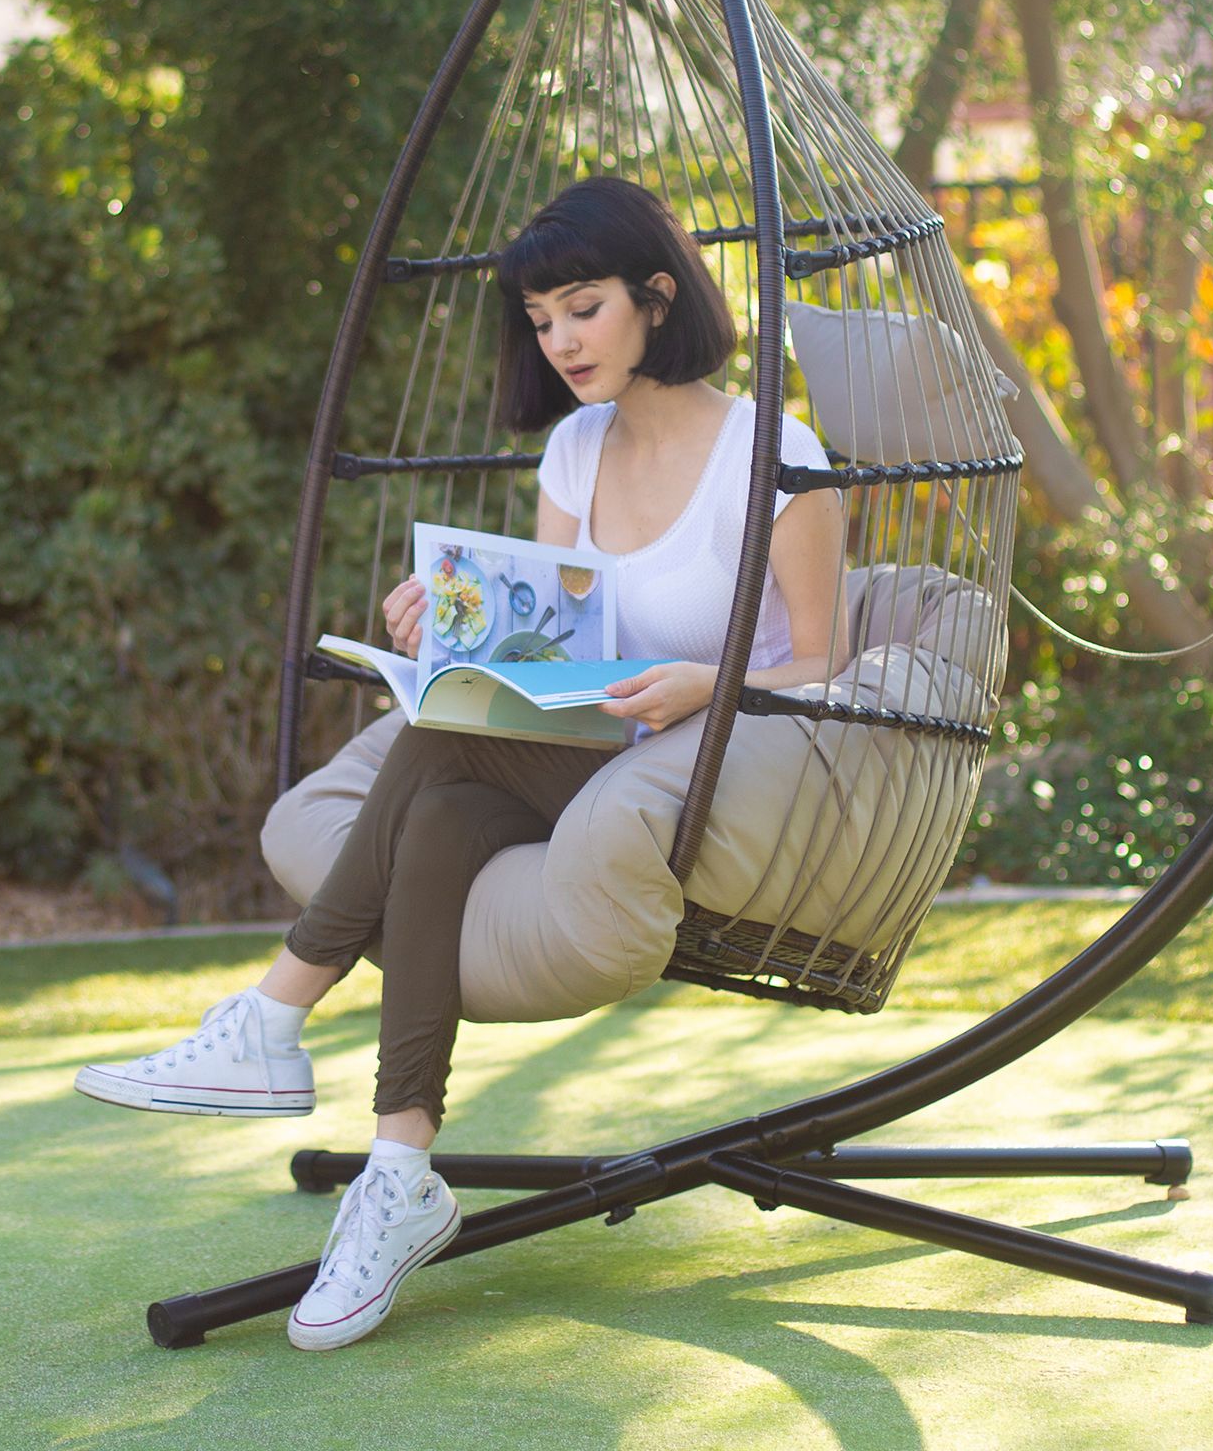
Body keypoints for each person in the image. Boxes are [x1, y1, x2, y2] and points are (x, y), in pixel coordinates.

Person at [72, 175, 844, 1349]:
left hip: (723, 764)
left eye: (582, 308)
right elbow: (558, 650)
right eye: (541, 321)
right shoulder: (576, 451)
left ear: (656, 293)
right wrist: (454, 621)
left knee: (442, 745)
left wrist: (708, 682)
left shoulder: (777, 454)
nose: (562, 341)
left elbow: (829, 668)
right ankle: (399, 1172)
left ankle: (275, 1013)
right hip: (596, 749)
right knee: (440, 783)